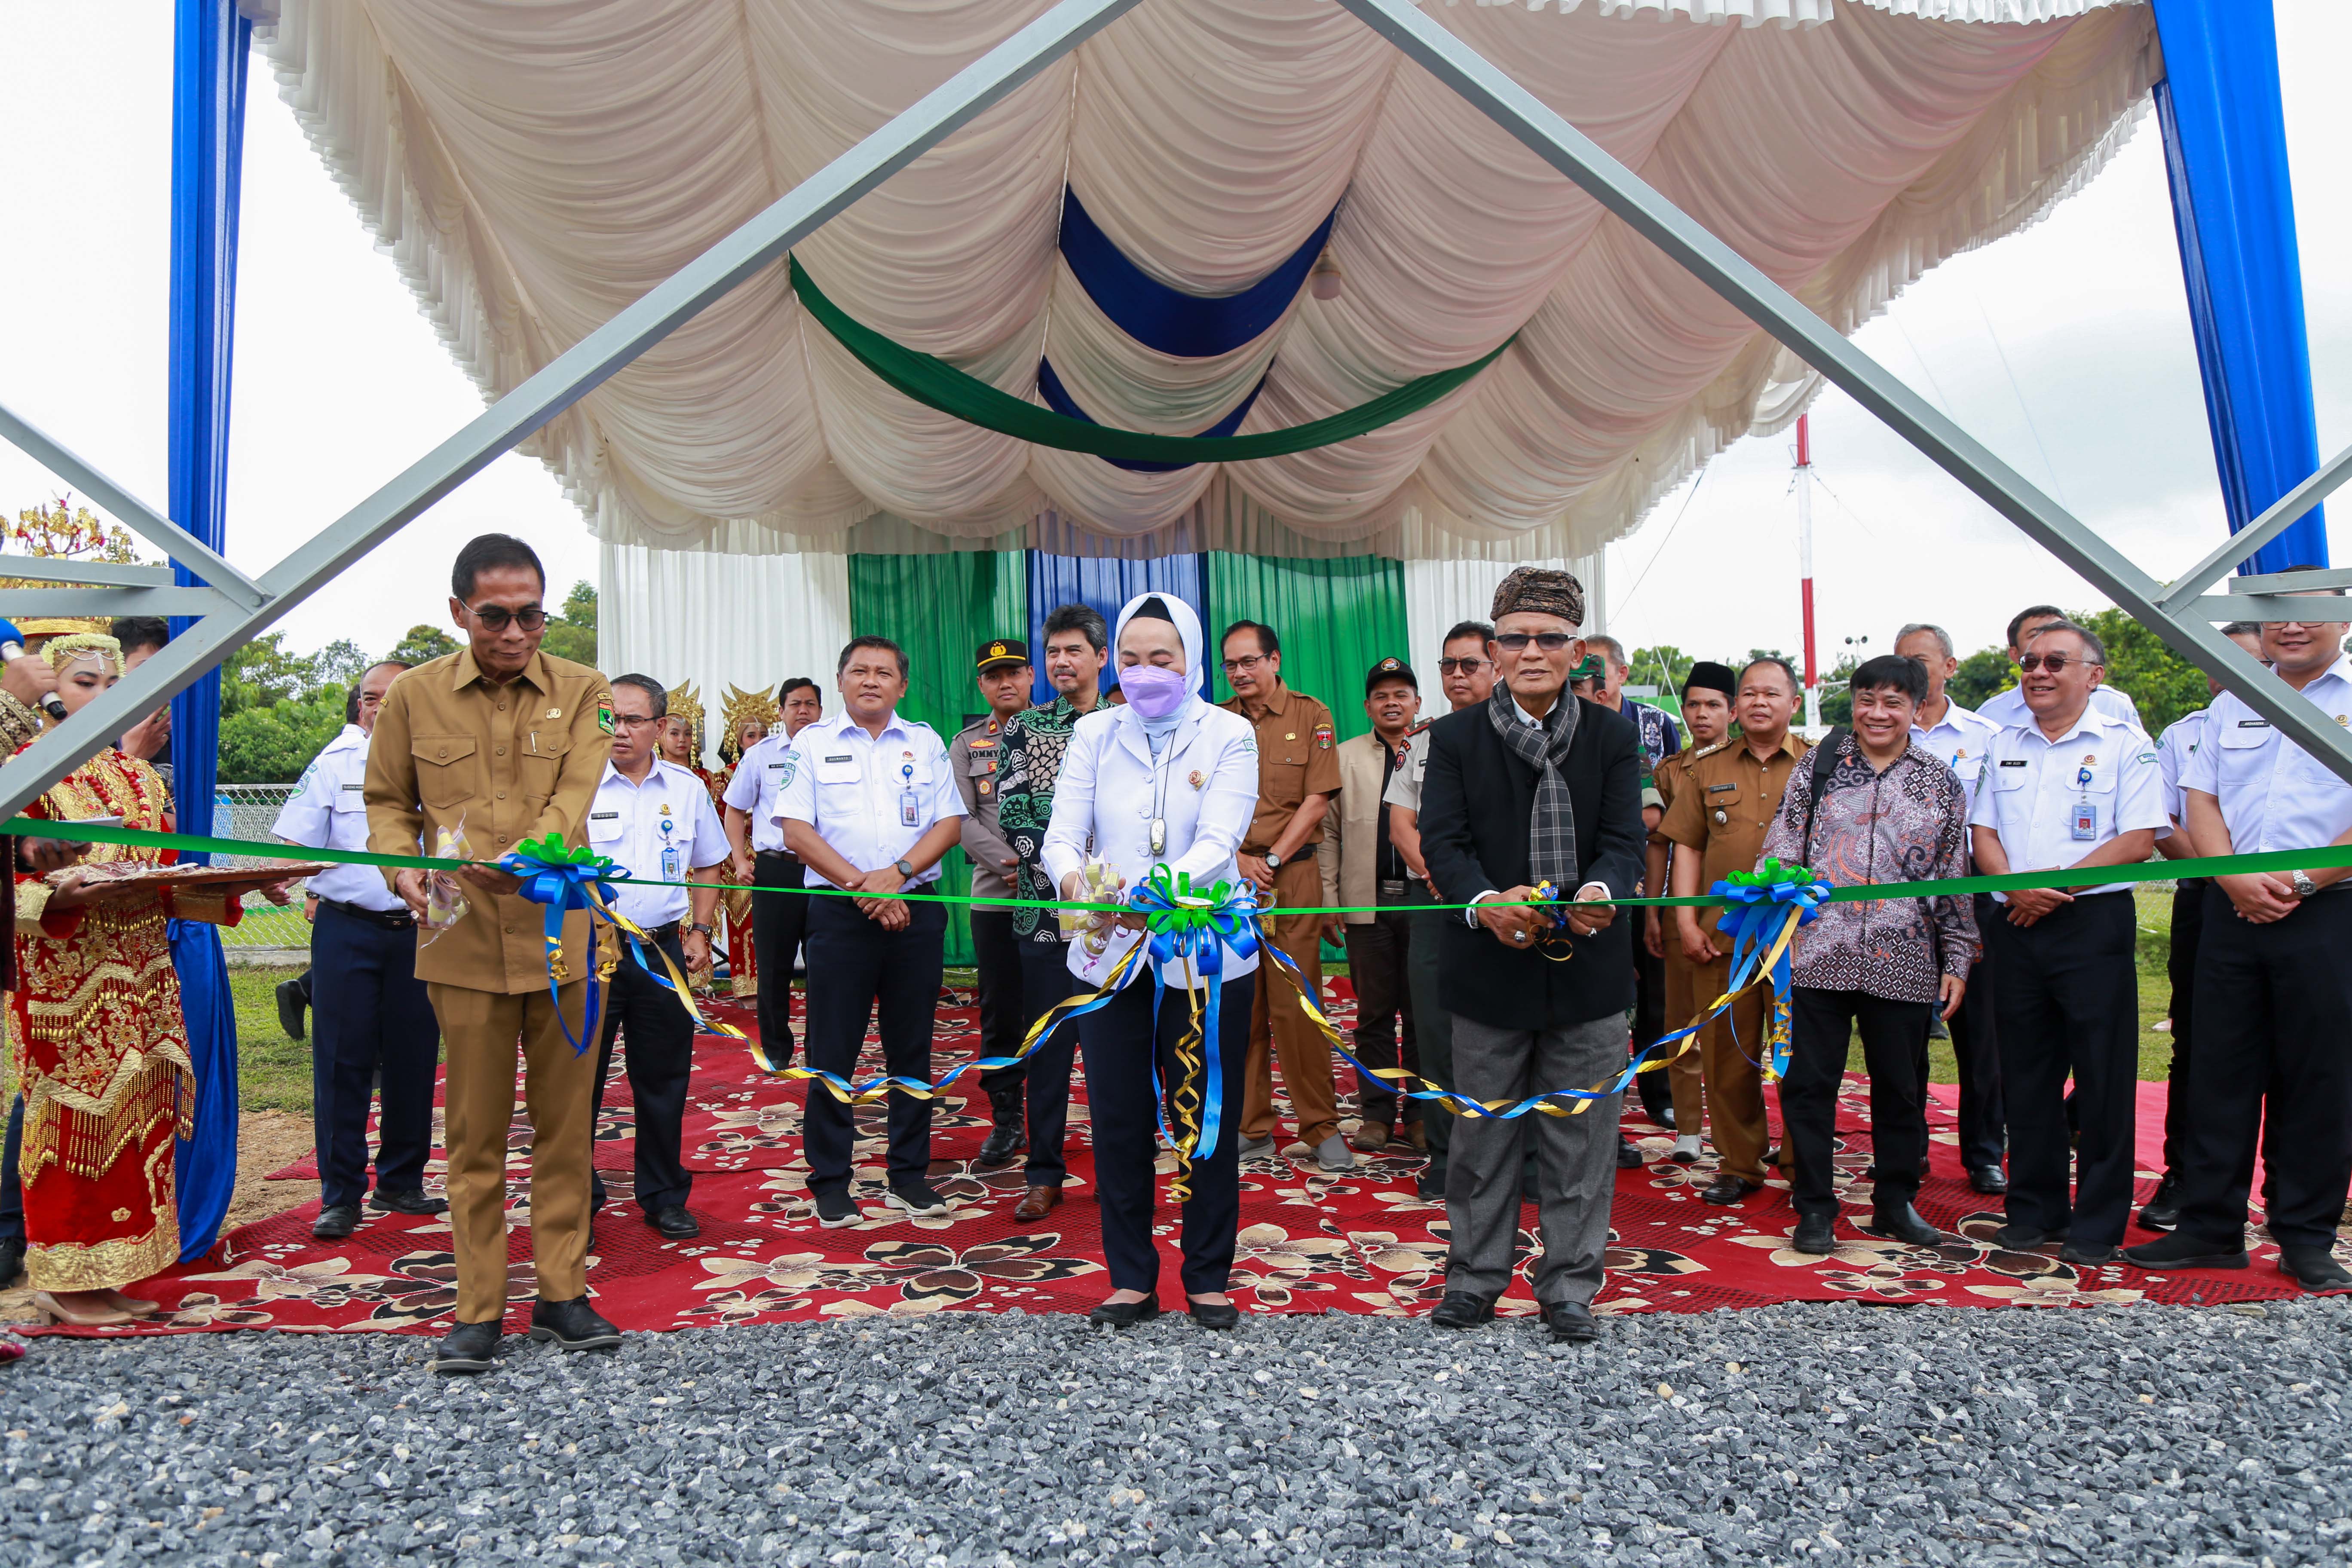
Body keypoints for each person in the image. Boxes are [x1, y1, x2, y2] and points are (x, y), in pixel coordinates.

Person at [366, 533, 619, 1374]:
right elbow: (389, 803)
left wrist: (534, 850)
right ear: (459, 612)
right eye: (496, 616)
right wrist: (401, 864)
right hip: (460, 938)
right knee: (473, 1135)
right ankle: (478, 1307)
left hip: (562, 940)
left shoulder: (586, 691)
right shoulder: (414, 697)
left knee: (563, 1130)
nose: (516, 633)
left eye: (532, 615)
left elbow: (575, 792)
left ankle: (561, 1293)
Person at [10, 634, 265, 1325]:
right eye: (84, 682)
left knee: (142, 1132)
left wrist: (245, 882)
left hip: (146, 979)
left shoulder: (139, 779)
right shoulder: (25, 772)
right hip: (68, 987)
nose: (100, 696)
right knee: (72, 1131)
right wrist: (55, 899)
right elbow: (15, 882)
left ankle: (117, 1268)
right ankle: (64, 1277)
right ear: (52, 692)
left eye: (111, 683)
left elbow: (160, 882)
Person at [1416, 568, 1641, 1343]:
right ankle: (1474, 1279)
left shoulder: (1614, 734)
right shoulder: (1452, 737)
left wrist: (1603, 887)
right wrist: (1485, 903)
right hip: (1488, 967)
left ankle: (1569, 1286)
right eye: (1515, 637)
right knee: (1482, 1134)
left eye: (1550, 638)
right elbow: (1442, 843)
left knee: (1581, 1136)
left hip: (1589, 966)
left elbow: (1624, 841)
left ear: (1576, 650)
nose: (1532, 651)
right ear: (1495, 647)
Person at [2124, 582, 2352, 1292]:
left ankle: (2304, 1234)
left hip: (2326, 909)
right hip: (2232, 906)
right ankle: (2208, 1227)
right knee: (2216, 1071)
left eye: (2307, 611)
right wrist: (2232, 880)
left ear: (2342, 619)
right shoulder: (2232, 703)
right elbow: (2201, 799)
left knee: (2317, 1076)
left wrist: (2302, 882)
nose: (2288, 626)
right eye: (2271, 615)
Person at [1040, 592, 1258, 1329]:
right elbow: (1062, 832)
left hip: (1198, 956)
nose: (1144, 671)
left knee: (1204, 1118)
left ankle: (1207, 1275)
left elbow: (1220, 839)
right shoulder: (1094, 733)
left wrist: (1161, 887)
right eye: (1129, 658)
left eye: (1160, 657)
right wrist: (1074, 878)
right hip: (1107, 954)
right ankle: (1131, 1276)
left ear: (1189, 659)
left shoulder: (1228, 732)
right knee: (1119, 1118)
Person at [1760, 654, 1978, 1255]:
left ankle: (1895, 1203)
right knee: (1809, 1084)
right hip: (1817, 953)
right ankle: (1815, 1207)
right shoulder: (1819, 768)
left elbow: (1951, 874)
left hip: (1904, 956)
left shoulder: (1939, 782)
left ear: (1917, 708)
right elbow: (1777, 848)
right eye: (1866, 700)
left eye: (1893, 702)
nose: (1877, 714)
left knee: (1901, 1088)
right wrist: (1775, 891)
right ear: (1852, 703)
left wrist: (1957, 958)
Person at [1967, 622, 2164, 1264]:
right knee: (2026, 1075)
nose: (2039, 672)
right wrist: (2015, 891)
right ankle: (2034, 1210)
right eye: (2029, 661)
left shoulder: (2126, 746)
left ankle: (2099, 1222)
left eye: (2056, 661)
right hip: (2015, 924)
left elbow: (2138, 841)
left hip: (2090, 925)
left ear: (2094, 675)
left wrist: (2050, 889)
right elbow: (1983, 835)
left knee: (2103, 1077)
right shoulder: (2003, 744)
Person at [777, 636, 965, 1226]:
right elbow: (795, 831)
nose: (871, 680)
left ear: (902, 687)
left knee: (912, 1049)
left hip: (916, 908)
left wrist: (899, 875)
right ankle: (831, 1180)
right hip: (839, 913)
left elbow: (950, 823)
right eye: (859, 670)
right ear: (841, 681)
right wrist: (865, 887)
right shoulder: (810, 744)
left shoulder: (926, 742)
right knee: (832, 1051)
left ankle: (908, 1175)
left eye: (885, 673)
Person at [271, 658, 444, 1241]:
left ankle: (402, 1179)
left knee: (414, 1058)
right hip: (347, 929)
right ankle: (341, 1194)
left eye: (391, 698)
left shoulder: (441, 763)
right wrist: (279, 876)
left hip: (420, 931)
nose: (378, 708)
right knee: (343, 1062)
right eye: (369, 698)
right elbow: (295, 841)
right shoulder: (335, 762)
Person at [1658, 658, 1808, 1207]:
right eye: (1749, 694)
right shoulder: (1706, 768)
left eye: (1772, 693)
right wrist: (1684, 919)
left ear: (1794, 704)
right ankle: (1739, 1163)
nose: (1759, 703)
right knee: (1725, 1054)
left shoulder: (1820, 766)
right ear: (1736, 705)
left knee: (1799, 1054)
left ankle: (1801, 1160)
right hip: (1723, 939)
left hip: (1800, 941)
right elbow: (1688, 847)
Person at [585, 674, 728, 1239]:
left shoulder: (687, 787)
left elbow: (711, 861)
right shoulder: (577, 784)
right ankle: (576, 1203)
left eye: (633, 720)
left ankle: (664, 1195)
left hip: (661, 948)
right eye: (609, 719)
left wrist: (699, 930)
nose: (619, 731)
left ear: (660, 727)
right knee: (579, 1080)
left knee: (664, 1077)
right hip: (589, 951)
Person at [2138, 621, 2265, 1231]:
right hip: (2208, 901)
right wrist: (2228, 880)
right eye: (2220, 660)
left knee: (2302, 1051)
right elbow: (2163, 820)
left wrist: (2280, 886)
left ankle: (2297, 1198)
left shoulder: (2312, 728)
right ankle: (2185, 1181)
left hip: (2305, 901)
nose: (2232, 672)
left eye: (2249, 660)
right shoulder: (2186, 734)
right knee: (2200, 1046)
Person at [996, 603, 1111, 1222]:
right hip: (1043, 917)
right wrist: (1073, 875)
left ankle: (1120, 1167)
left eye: (1074, 651)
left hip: (1120, 920)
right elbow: (1014, 818)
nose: (1062, 662)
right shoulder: (1024, 730)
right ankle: (1043, 1174)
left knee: (1117, 1050)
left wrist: (1109, 885)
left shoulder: (1129, 725)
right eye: (1054, 653)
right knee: (1048, 1051)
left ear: (1101, 657)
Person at [1218, 620, 1347, 1170]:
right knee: (1238, 1007)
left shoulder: (1310, 715)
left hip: (1290, 877)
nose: (1241, 673)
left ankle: (1320, 1126)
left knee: (1297, 1005)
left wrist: (1269, 861)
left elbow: (1318, 799)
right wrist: (1238, 861)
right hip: (1228, 879)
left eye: (1250, 661)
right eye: (1231, 664)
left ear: (1274, 660)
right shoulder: (1215, 722)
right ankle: (1252, 1125)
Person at [1892, 622, 2008, 1196]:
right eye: (1901, 662)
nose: (1911, 672)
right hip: (1900, 907)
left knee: (1980, 1033)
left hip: (1972, 900)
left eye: (1920, 660)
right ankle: (1905, 1149)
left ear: (1950, 667)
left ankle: (1985, 1152)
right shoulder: (1882, 736)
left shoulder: (1990, 737)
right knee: (1904, 1031)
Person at [0, 649, 99, 1293]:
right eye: (86, 682)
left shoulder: (136, 776)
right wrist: (8, 706)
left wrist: (27, 847)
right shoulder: (23, 757)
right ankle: (16, 1231)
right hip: (46, 968)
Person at [1386, 620, 1495, 1200]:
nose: (1457, 675)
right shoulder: (1418, 742)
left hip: (1503, 909)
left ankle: (1514, 1156)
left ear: (1496, 666)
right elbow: (1401, 821)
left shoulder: (1515, 736)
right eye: (1448, 665)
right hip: (1434, 904)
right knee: (1433, 1030)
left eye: (1469, 664)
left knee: (1507, 1034)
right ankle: (1445, 1155)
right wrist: (1441, 876)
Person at [1317, 657, 1425, 1153]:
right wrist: (1329, 899)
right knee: (1374, 1015)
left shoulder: (1435, 753)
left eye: (1401, 694)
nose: (1392, 702)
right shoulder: (1344, 757)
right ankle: (1377, 1115)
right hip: (1367, 904)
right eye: (1382, 696)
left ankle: (1423, 1114)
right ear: (1367, 707)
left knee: (1424, 1012)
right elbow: (1330, 833)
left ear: (1417, 703)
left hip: (1426, 906)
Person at [1644, 660, 1737, 1164]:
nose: (1702, 714)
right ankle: (1686, 1129)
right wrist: (1656, 911)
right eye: (1694, 704)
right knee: (1681, 1022)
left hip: (1739, 911)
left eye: (1714, 705)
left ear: (1734, 710)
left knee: (1740, 1023)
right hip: (1684, 910)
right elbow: (1660, 844)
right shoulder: (1670, 770)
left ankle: (1738, 1132)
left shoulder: (1752, 762)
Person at [949, 638, 1036, 1168]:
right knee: (1002, 1012)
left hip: (1064, 899)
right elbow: (959, 819)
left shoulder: (1064, 730)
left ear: (1031, 676)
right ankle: (1007, 1120)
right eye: (993, 675)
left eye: (1013, 672)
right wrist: (1022, 865)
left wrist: (1051, 870)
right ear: (981, 685)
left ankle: (1061, 1113)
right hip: (998, 898)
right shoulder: (966, 745)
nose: (1004, 682)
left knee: (1068, 1006)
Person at [723, 677, 823, 1065]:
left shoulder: (834, 752)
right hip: (776, 871)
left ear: (820, 710)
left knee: (824, 964)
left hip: (823, 871)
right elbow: (735, 809)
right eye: (795, 704)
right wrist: (740, 859)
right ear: (781, 712)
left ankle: (819, 1050)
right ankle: (777, 1052)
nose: (803, 711)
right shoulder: (762, 755)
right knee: (774, 966)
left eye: (811, 704)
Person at [711, 683, 780, 1000]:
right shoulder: (724, 776)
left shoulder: (783, 767)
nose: (758, 741)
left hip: (772, 856)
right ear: (736, 741)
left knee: (774, 926)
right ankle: (745, 986)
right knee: (743, 924)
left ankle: (773, 984)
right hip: (738, 857)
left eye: (763, 735)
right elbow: (722, 814)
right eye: (750, 736)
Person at [1977, 605, 2143, 731]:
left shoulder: (2114, 704)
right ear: (2015, 654)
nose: (2048, 640)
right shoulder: (1991, 716)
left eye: (2060, 630)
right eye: (2037, 635)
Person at [1580, 634, 1681, 779]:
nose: (1587, 679)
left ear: (1622, 674)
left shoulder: (1658, 722)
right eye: (1581, 672)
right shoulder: (1568, 721)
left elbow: (1677, 782)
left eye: (1596, 671)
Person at [109, 616, 174, 774]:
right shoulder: (83, 739)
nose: (159, 680)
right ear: (115, 668)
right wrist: (132, 756)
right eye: (147, 669)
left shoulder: (171, 740)